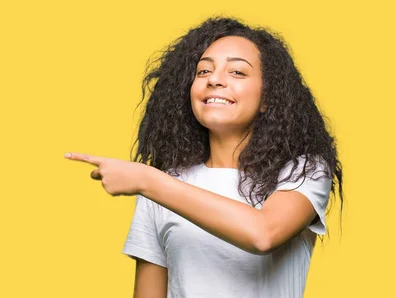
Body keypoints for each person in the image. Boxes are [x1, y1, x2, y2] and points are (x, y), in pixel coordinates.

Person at [65, 16, 343, 298]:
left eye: (237, 72)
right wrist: (151, 182)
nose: (214, 80)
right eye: (203, 71)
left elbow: (264, 233)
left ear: (268, 98)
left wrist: (148, 180)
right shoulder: (164, 184)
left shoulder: (303, 171)